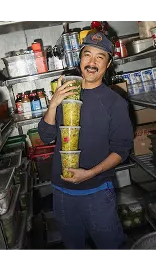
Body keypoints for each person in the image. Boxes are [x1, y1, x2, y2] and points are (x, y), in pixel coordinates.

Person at [38, 30, 133, 252]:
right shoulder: (66, 94)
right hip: (62, 192)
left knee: (111, 247)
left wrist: (90, 173)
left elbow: (122, 149)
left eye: (100, 57)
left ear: (108, 64)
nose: (91, 63)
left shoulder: (115, 103)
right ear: (80, 59)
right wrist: (53, 104)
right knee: (73, 247)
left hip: (97, 192)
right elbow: (46, 136)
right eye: (87, 55)